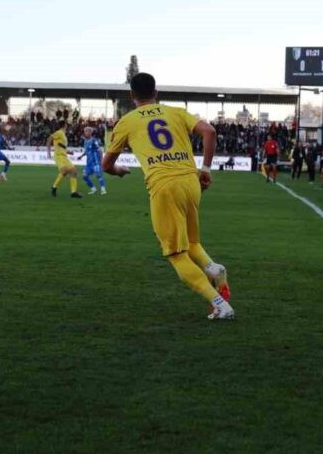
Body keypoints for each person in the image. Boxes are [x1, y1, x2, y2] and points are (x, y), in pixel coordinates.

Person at [102, 73, 233, 321]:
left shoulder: (127, 122)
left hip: (164, 186)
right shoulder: (175, 112)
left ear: (132, 96)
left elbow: (107, 164)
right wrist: (205, 170)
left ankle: (220, 304)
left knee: (176, 254)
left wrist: (119, 172)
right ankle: (213, 268)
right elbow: (210, 132)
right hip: (190, 181)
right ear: (156, 92)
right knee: (192, 242)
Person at [47, 120, 82, 198]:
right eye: (66, 125)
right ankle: (54, 187)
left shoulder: (63, 135)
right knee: (64, 170)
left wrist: (69, 152)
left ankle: (73, 192)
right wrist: (48, 152)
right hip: (59, 156)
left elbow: (61, 146)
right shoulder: (59, 132)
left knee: (74, 171)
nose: (67, 126)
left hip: (64, 156)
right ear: (64, 125)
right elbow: (49, 139)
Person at [77, 126, 106, 195]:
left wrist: (101, 160)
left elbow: (100, 150)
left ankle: (103, 189)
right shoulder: (85, 142)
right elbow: (87, 151)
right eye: (85, 131)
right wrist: (81, 156)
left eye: (87, 131)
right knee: (84, 176)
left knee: (98, 175)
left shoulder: (94, 140)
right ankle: (93, 189)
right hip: (89, 163)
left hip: (95, 162)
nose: (85, 133)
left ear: (90, 132)